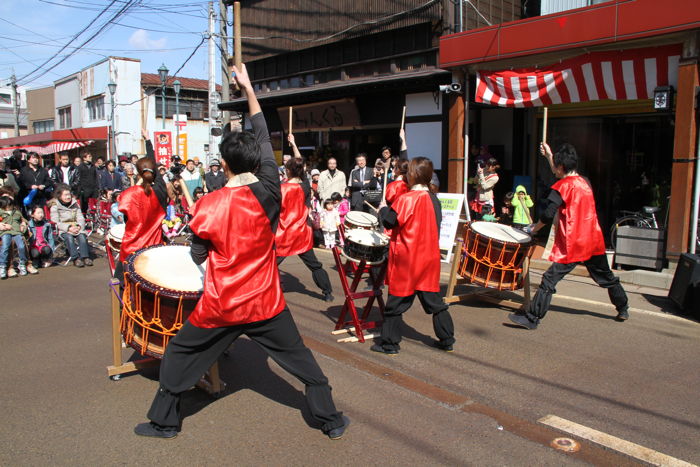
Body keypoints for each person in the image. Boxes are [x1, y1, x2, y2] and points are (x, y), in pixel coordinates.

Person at [134, 63, 348, 440]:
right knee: (299, 359)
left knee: (181, 353)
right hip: (265, 298)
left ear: (225, 163)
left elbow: (198, 255)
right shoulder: (270, 187)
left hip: (223, 302)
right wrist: (250, 89)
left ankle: (164, 423)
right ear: (255, 160)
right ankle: (329, 420)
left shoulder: (209, 204)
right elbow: (264, 135)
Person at [508, 142, 630, 330]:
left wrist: (534, 229)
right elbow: (562, 175)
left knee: (549, 279)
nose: (553, 171)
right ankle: (623, 307)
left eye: (555, 167)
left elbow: (548, 215)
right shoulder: (585, 181)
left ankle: (532, 318)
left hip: (574, 243)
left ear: (561, 167)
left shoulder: (561, 187)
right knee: (606, 276)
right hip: (593, 239)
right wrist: (549, 156)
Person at [372, 157, 455, 355]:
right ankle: (447, 339)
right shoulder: (434, 199)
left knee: (395, 304)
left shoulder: (406, 199)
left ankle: (390, 344)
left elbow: (390, 222)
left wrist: (383, 208)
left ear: (413, 174)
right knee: (435, 302)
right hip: (428, 257)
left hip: (408, 258)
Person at [277, 157, 335, 302]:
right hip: (302, 232)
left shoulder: (280, 188)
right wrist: (295, 146)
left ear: (288, 171)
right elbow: (300, 167)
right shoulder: (304, 186)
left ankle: (269, 291)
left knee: (269, 264)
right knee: (315, 265)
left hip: (284, 233)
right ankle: (327, 292)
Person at [115, 158, 166, 282]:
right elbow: (158, 178)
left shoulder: (129, 193)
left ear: (138, 172)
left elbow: (125, 213)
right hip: (154, 246)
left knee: (121, 283)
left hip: (131, 246)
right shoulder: (160, 191)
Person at [50, 184, 92, 267]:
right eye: (65, 195)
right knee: (69, 238)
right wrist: (68, 228)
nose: (68, 197)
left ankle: (85, 257)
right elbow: (55, 221)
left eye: (69, 194)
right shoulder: (55, 206)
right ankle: (75, 258)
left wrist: (79, 226)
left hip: (76, 226)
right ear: (59, 196)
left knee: (82, 236)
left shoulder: (75, 204)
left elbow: (80, 217)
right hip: (64, 228)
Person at [0, 196, 31, 278]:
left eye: (10, 205)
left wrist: (23, 224)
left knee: (21, 246)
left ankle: (22, 263)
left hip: (17, 232)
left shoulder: (16, 212)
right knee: (5, 246)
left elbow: (23, 220)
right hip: (5, 232)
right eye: (7, 206)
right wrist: (2, 225)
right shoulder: (1, 212)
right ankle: (2, 265)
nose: (9, 207)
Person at [28, 205, 55, 269]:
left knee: (47, 249)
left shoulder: (47, 224)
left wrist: (52, 249)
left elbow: (50, 237)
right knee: (35, 253)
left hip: (43, 245)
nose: (41, 215)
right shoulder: (29, 224)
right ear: (32, 215)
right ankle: (35, 260)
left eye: (42, 213)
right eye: (38, 213)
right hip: (33, 246)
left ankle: (43, 259)